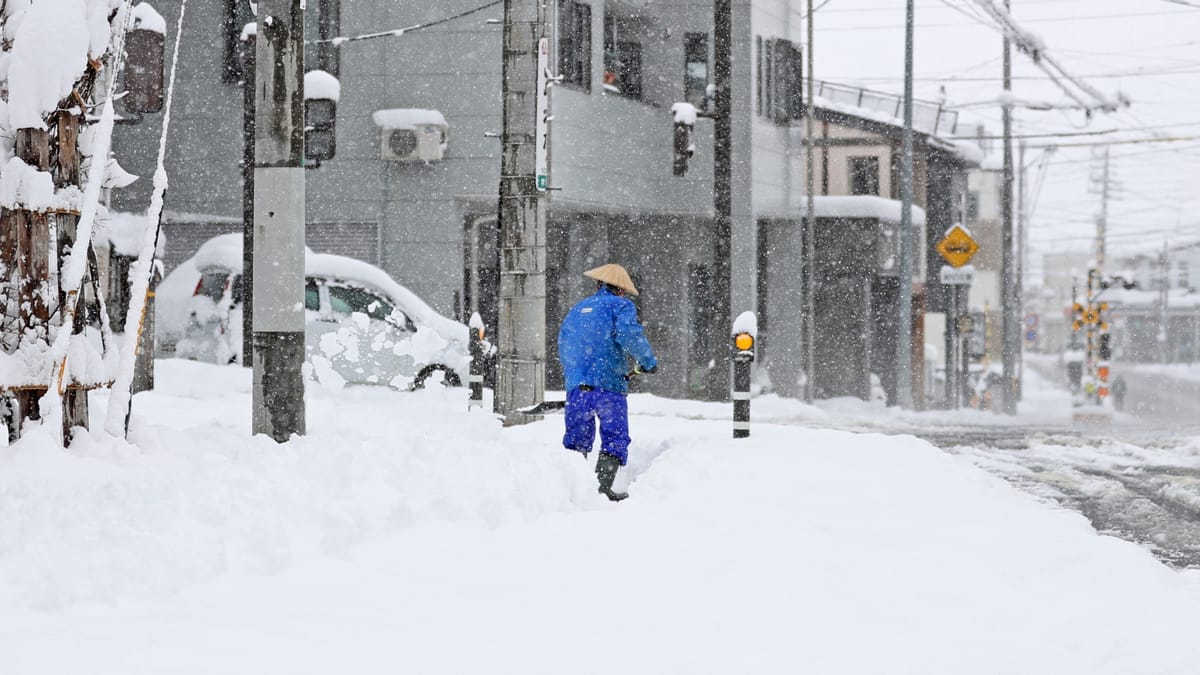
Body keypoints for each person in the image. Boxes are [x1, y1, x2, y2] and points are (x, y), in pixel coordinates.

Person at [557, 263, 657, 501]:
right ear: (621, 290)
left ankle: (573, 493)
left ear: (598, 284)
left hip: (577, 387)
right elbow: (628, 334)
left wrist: (575, 375)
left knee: (576, 439)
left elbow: (564, 345)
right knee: (615, 437)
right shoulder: (621, 306)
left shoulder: (577, 310)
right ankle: (602, 489)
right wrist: (648, 361)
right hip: (609, 385)